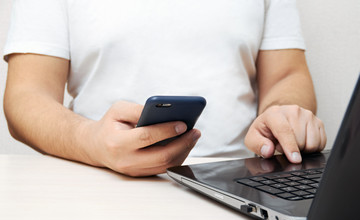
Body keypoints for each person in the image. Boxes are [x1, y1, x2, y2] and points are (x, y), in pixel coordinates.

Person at [3, 0, 326, 177]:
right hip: (96, 177)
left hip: (238, 181)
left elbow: (286, 75)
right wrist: (91, 143)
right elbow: (26, 96)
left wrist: (282, 114)